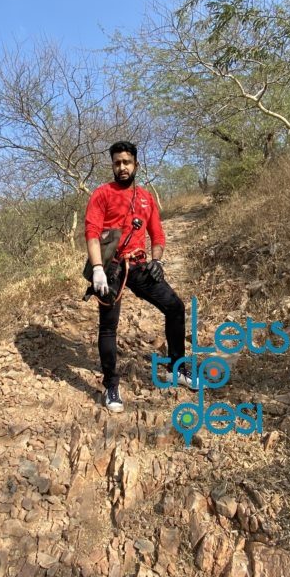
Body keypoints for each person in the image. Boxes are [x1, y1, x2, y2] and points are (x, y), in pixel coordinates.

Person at [84, 141, 193, 413]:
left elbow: (157, 234)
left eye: (126, 162)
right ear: (112, 165)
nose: (122, 167)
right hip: (112, 269)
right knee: (108, 327)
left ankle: (176, 367)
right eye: (117, 162)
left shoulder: (145, 197)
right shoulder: (102, 194)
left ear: (136, 165)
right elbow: (92, 232)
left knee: (175, 307)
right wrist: (97, 268)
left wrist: (158, 260)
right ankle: (111, 384)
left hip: (140, 265)